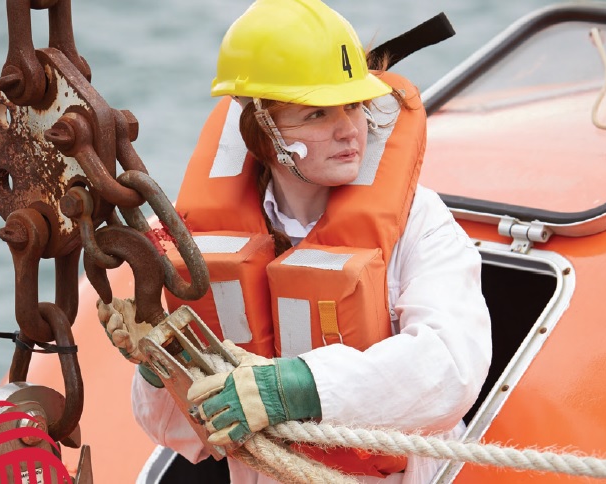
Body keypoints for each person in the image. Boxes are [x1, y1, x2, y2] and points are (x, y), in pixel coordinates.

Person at [103, 0, 492, 482]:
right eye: (317, 113)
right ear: (262, 132)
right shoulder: (207, 239)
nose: (349, 129)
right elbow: (174, 433)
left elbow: (453, 365)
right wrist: (160, 361)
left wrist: (299, 387)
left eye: (353, 105)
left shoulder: (420, 221)